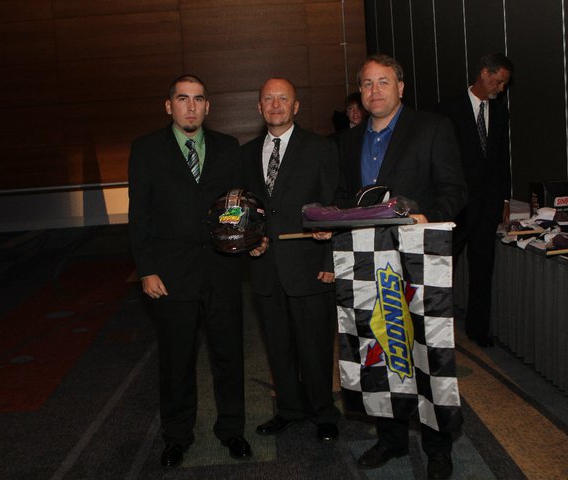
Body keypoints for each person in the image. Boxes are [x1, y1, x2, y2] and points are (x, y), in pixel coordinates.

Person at [333, 55, 466, 480]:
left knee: (425, 349)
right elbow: (344, 197)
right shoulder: (348, 140)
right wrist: (329, 222)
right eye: (367, 83)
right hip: (367, 263)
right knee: (378, 345)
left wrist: (429, 216)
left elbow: (454, 189)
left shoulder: (432, 128)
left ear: (401, 87)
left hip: (417, 261)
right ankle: (390, 439)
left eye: (383, 82)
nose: (374, 91)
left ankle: (438, 448)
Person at [128, 74, 252, 468]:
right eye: (183, 99)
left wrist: (250, 238)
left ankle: (232, 430)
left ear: (208, 106)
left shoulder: (228, 148)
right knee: (176, 361)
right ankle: (177, 437)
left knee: (229, 356)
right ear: (169, 106)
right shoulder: (146, 149)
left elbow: (239, 206)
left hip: (222, 271)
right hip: (170, 275)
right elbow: (139, 216)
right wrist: (146, 269)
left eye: (198, 99)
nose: (191, 106)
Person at [241, 77, 341, 443]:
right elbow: (243, 210)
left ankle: (323, 411)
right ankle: (288, 409)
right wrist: (248, 243)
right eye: (268, 99)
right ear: (259, 107)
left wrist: (331, 260)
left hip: (310, 267)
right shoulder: (245, 154)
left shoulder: (321, 149)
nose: (275, 105)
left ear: (296, 106)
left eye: (283, 98)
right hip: (265, 269)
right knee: (278, 346)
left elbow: (335, 204)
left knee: (315, 346)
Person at [437, 53, 513, 348]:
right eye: (499, 81)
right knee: (445, 269)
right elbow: (440, 160)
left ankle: (478, 329)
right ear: (484, 73)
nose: (501, 88)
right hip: (456, 206)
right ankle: (438, 326)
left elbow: (502, 159)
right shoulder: (448, 109)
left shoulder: (501, 113)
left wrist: (504, 198)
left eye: (505, 84)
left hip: (487, 205)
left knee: (483, 270)